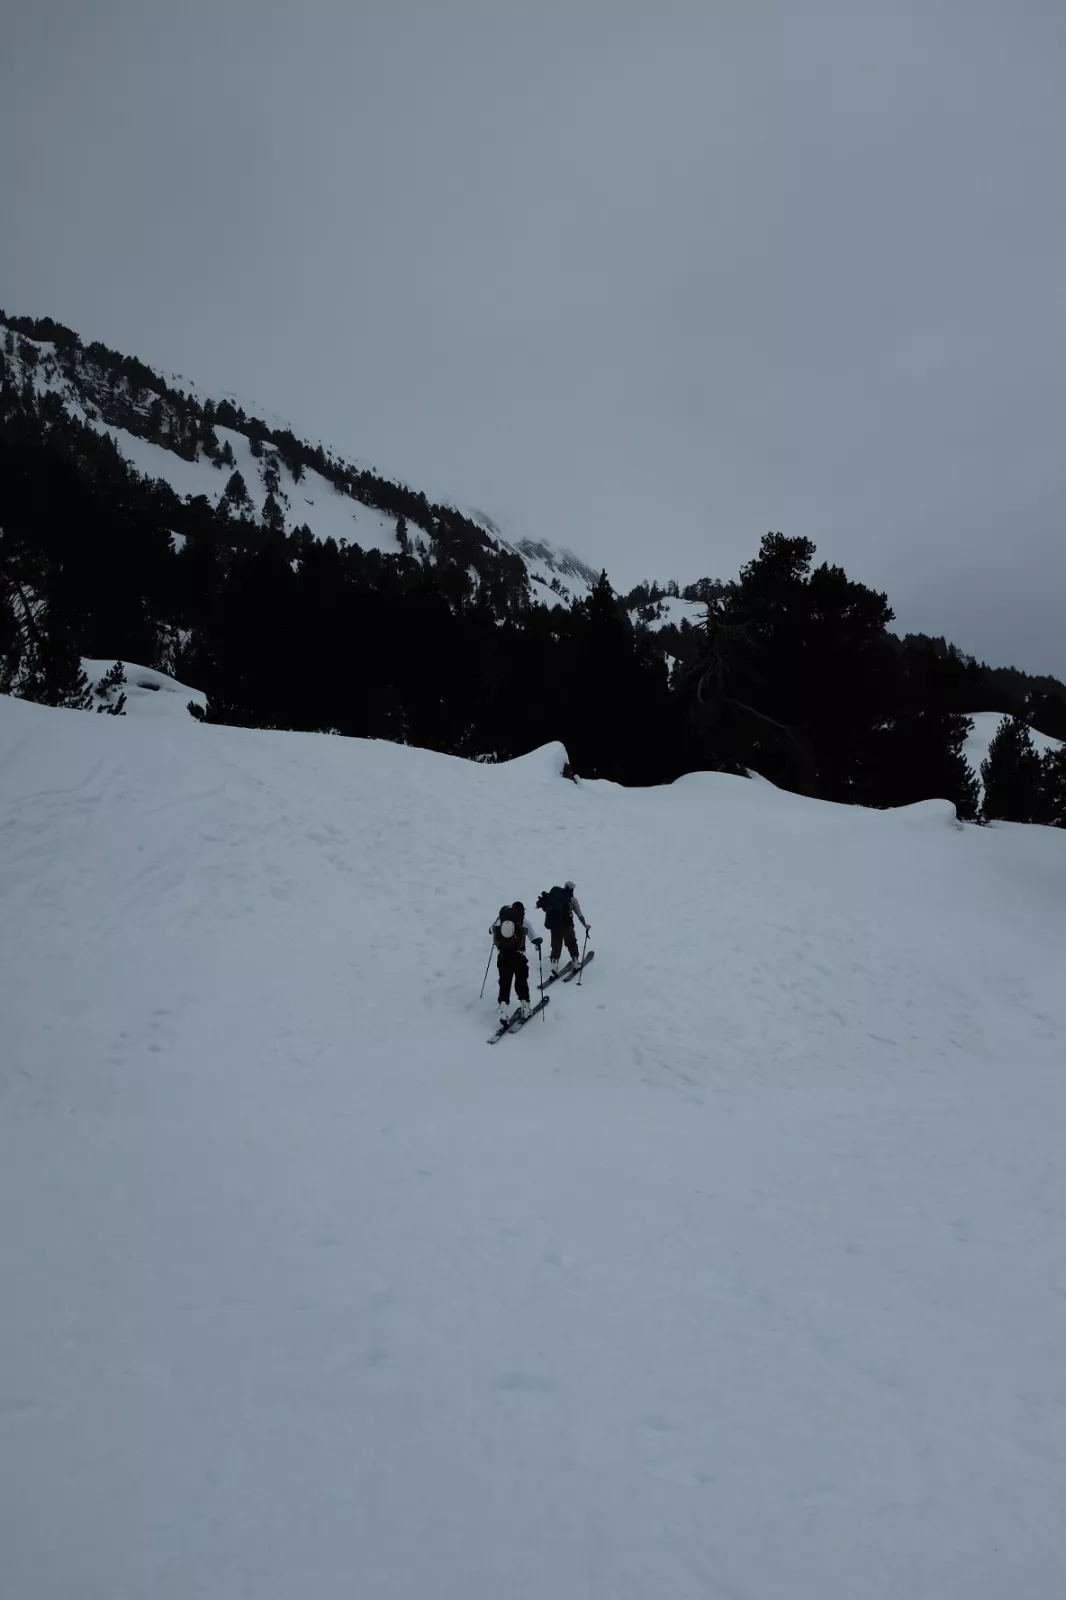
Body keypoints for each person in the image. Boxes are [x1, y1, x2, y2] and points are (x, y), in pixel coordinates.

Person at [490, 901, 543, 1022]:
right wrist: (539, 941)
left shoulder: (500, 920)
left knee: (504, 984)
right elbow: (534, 938)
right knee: (521, 982)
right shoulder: (524, 922)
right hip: (519, 957)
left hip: (503, 956)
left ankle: (503, 1012)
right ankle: (526, 1009)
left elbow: (490, 930)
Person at [536, 880, 591, 977]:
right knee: (571, 942)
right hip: (567, 925)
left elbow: (548, 908)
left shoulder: (555, 896)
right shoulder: (572, 899)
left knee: (556, 945)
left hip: (554, 925)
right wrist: (585, 925)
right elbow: (579, 915)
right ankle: (575, 963)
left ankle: (554, 967)